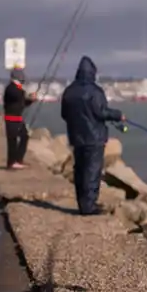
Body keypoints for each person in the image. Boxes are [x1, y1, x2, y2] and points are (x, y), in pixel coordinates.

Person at [60, 56, 125, 216]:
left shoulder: (69, 91)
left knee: (80, 169)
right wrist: (118, 115)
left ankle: (83, 203)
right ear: (92, 73)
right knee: (92, 170)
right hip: (94, 138)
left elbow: (64, 114)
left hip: (76, 137)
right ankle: (89, 207)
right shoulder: (95, 92)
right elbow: (101, 112)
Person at [2, 66, 35, 169]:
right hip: (11, 119)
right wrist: (28, 95)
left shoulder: (17, 89)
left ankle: (18, 160)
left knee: (24, 136)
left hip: (17, 119)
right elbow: (19, 96)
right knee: (12, 141)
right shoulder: (11, 88)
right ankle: (12, 162)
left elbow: (22, 103)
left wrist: (31, 100)